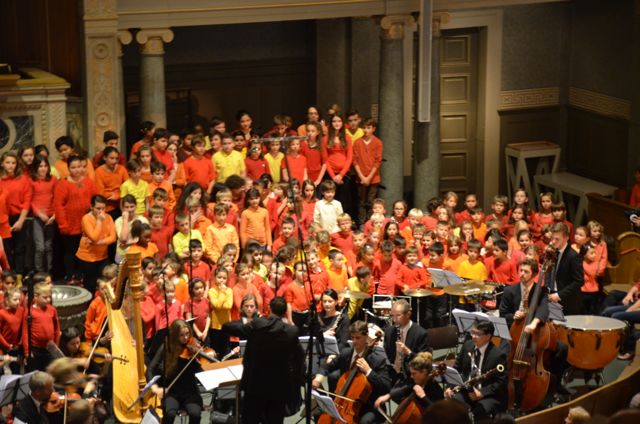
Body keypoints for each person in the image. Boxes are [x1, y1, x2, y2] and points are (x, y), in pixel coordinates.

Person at [223, 297, 304, 424]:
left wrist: (249, 322)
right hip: (279, 386)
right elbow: (299, 358)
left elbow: (227, 327)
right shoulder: (291, 331)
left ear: (269, 308)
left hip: (255, 384)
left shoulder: (258, 325)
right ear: (285, 312)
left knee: (250, 420)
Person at [313, 320, 391, 424]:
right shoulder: (346, 353)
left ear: (366, 337)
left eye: (358, 338)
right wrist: (319, 377)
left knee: (364, 422)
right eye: (352, 337)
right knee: (317, 414)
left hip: (369, 405)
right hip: (343, 402)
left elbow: (386, 387)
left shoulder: (377, 360)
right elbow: (327, 364)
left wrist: (369, 371)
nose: (354, 341)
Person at [444, 320, 508, 421]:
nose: (473, 336)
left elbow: (500, 383)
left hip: (488, 395)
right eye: (472, 332)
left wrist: (481, 393)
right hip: (467, 389)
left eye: (478, 334)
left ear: (488, 336)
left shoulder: (498, 355)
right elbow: (456, 368)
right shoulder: (467, 346)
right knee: (455, 402)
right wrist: (450, 387)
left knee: (480, 411)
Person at [149, 320, 205, 424]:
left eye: (187, 334)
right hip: (172, 392)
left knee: (195, 414)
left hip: (190, 391)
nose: (186, 338)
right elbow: (150, 369)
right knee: (169, 414)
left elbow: (201, 371)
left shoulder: (193, 347)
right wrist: (154, 388)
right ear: (175, 335)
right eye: (181, 335)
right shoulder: (167, 347)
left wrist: (200, 358)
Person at [374, 351, 445, 415]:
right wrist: (388, 396)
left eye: (414, 373)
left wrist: (423, 397)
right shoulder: (414, 382)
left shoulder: (436, 390)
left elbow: (438, 414)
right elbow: (404, 388)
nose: (411, 376)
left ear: (424, 372)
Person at [383, 299, 430, 383]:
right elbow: (386, 355)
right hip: (391, 374)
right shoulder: (389, 331)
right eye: (392, 316)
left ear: (408, 314)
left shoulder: (420, 333)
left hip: (410, 376)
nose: (394, 320)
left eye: (398, 315)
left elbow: (424, 362)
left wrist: (408, 352)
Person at [546, 223, 584, 315]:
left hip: (567, 301)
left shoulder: (573, 256)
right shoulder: (553, 251)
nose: (553, 242)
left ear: (566, 238)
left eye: (557, 239)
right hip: (552, 295)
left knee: (563, 323)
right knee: (553, 322)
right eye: (552, 238)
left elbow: (579, 281)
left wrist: (559, 295)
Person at [353, 118, 383, 226]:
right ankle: (362, 224)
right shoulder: (357, 142)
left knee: (371, 202)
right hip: (361, 177)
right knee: (361, 201)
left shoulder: (378, 142)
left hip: (373, 178)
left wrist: (369, 177)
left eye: (368, 128)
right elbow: (355, 161)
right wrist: (362, 177)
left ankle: (371, 223)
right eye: (364, 128)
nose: (366, 130)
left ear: (373, 129)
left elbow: (378, 161)